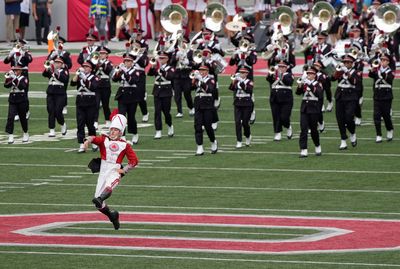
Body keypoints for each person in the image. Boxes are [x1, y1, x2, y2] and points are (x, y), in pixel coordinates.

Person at [83, 113, 139, 230]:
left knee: (107, 188)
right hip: (103, 171)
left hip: (115, 171)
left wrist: (124, 170)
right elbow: (94, 138)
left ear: (121, 132)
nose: (113, 132)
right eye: (112, 129)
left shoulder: (125, 145)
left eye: (116, 130)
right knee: (98, 204)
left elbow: (134, 161)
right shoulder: (104, 140)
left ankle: (101, 198)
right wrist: (87, 140)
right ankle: (112, 216)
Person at [332, 54, 362, 150]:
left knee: (349, 118)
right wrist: (338, 71)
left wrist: (348, 74)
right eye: (345, 62)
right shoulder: (341, 71)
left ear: (352, 64)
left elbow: (355, 82)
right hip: (340, 97)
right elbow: (332, 79)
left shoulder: (357, 72)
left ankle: (352, 133)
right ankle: (343, 140)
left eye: (348, 62)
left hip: (351, 97)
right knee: (340, 119)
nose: (346, 64)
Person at [112, 52, 142, 144]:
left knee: (131, 117)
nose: (127, 62)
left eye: (129, 61)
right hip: (122, 95)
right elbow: (114, 79)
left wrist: (125, 71)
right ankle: (123, 136)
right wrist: (117, 72)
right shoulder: (122, 70)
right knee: (121, 116)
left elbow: (133, 81)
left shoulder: (136, 71)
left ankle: (134, 133)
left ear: (132, 62)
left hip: (132, 95)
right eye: (125, 61)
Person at [71, 61, 99, 153]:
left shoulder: (95, 77)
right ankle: (81, 144)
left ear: (90, 69)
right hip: (80, 102)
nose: (85, 68)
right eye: (84, 66)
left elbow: (94, 86)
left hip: (90, 103)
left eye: (87, 67)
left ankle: (93, 141)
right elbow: (72, 83)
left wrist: (85, 79)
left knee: (90, 124)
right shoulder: (79, 76)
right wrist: (77, 74)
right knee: (80, 124)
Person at [295, 66, 323, 157]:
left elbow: (319, 94)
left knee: (314, 130)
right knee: (303, 129)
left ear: (315, 75)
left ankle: (317, 145)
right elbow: (298, 93)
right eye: (308, 74)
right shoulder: (305, 84)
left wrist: (309, 84)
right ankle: (303, 149)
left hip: (314, 109)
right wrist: (300, 85)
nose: (309, 75)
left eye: (311, 74)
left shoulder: (318, 84)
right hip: (304, 109)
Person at [148, 51, 175, 139]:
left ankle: (170, 125)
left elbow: (170, 76)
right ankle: (158, 131)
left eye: (163, 58)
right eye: (160, 58)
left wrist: (161, 69)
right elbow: (149, 74)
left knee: (166, 112)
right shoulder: (156, 67)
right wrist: (153, 66)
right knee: (157, 112)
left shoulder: (170, 68)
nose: (161, 60)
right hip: (157, 91)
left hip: (166, 91)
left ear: (167, 59)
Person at [192, 65, 218, 155]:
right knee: (197, 126)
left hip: (207, 105)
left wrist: (200, 80)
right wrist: (194, 79)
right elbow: (191, 88)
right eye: (200, 70)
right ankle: (199, 147)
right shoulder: (197, 79)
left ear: (207, 71)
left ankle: (213, 141)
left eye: (203, 70)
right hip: (198, 104)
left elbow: (209, 89)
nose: (201, 72)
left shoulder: (211, 80)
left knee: (208, 126)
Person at [368, 53, 394, 143]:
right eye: (381, 60)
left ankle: (389, 129)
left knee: (386, 116)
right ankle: (378, 134)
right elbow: (370, 75)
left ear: (388, 62)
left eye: (384, 60)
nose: (382, 62)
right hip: (377, 96)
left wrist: (379, 70)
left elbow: (388, 79)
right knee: (376, 116)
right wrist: (372, 69)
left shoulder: (390, 71)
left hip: (386, 97)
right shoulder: (376, 70)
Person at [266, 60, 294, 141]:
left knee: (284, 117)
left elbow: (288, 82)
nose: (281, 68)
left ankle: (288, 126)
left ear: (286, 68)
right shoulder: (274, 74)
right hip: (274, 97)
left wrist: (280, 75)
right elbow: (268, 79)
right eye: (279, 67)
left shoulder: (289, 75)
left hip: (286, 98)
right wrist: (271, 73)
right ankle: (277, 133)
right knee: (275, 116)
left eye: (283, 67)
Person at [42, 57, 69, 137]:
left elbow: (63, 79)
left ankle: (62, 124)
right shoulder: (51, 70)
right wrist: (47, 69)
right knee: (51, 111)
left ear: (62, 64)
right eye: (56, 62)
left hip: (60, 93)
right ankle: (52, 129)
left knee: (58, 111)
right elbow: (44, 74)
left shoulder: (65, 71)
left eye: (58, 63)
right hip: (50, 92)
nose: (57, 64)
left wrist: (55, 72)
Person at [228, 67, 254, 148]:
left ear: (246, 73)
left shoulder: (250, 82)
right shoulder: (237, 81)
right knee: (237, 122)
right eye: (240, 72)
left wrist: (241, 82)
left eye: (243, 73)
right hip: (238, 104)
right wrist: (233, 81)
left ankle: (248, 135)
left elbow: (249, 90)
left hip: (247, 104)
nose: (241, 74)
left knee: (245, 123)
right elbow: (231, 88)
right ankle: (239, 141)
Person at [4, 64, 29, 144]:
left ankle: (25, 132)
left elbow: (22, 86)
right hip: (12, 100)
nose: (15, 71)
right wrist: (9, 78)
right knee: (10, 117)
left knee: (22, 118)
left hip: (21, 100)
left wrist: (14, 78)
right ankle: (10, 135)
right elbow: (6, 86)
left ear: (21, 71)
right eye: (15, 70)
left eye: (17, 70)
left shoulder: (24, 78)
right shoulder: (11, 77)